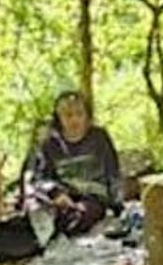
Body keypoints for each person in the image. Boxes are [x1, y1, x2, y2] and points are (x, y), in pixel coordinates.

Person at [25, 90, 122, 236]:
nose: (74, 120)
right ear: (59, 117)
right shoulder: (50, 144)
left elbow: (113, 171)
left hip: (93, 198)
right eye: (68, 115)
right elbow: (39, 178)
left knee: (79, 217)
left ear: (86, 116)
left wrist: (117, 205)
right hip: (63, 198)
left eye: (79, 114)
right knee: (40, 215)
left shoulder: (99, 138)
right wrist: (56, 194)